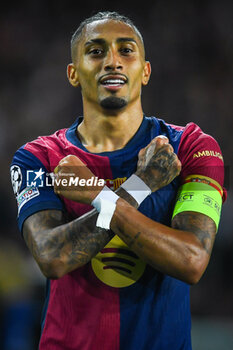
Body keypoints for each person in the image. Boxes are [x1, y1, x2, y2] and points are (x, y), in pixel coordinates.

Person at [10, 11, 226, 350]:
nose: (113, 61)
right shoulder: (38, 158)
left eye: (126, 50)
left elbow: (192, 260)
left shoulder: (191, 148)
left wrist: (96, 193)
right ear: (73, 73)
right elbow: (52, 257)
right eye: (96, 51)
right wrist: (141, 185)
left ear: (146, 71)